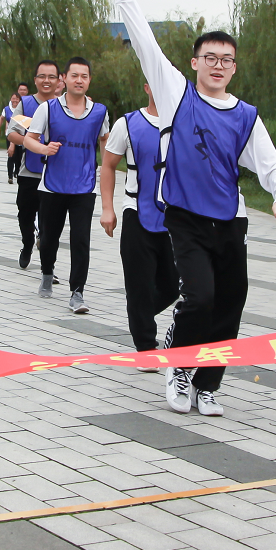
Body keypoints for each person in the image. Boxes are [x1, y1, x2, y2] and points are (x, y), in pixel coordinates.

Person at [101, 0, 276, 419]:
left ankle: (208, 385)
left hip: (230, 222)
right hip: (186, 218)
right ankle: (178, 366)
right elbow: (145, 43)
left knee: (229, 305)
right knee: (200, 297)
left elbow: (269, 162)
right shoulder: (176, 95)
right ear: (195, 63)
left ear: (234, 67)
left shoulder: (245, 115)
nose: (218, 65)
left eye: (226, 59)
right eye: (210, 57)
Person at [14, 58, 109, 312]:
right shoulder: (48, 109)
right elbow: (29, 138)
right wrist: (44, 148)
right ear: (64, 79)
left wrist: (106, 166)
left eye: (84, 76)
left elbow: (104, 140)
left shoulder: (99, 111)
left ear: (89, 80)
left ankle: (77, 292)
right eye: (74, 75)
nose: (79, 80)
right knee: (49, 237)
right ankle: (47, 272)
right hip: (52, 185)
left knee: (81, 239)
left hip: (85, 186)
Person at [100, 82, 177, 356]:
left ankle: (138, 312)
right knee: (139, 283)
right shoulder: (128, 123)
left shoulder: (185, 123)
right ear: (146, 87)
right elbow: (108, 165)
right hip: (136, 211)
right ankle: (145, 346)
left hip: (176, 217)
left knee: (172, 286)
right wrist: (107, 209)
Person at [11, 62, 62, 267]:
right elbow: (12, 133)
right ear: (35, 80)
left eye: (51, 77)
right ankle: (27, 242)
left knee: (50, 221)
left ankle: (47, 269)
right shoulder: (26, 104)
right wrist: (34, 144)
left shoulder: (64, 106)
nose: (46, 81)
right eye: (42, 76)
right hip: (30, 171)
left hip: (55, 173)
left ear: (59, 80)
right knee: (25, 214)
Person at [0, 82, 35, 182]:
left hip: (26, 134)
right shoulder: (10, 108)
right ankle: (10, 176)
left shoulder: (30, 104)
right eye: (20, 90)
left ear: (27, 91)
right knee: (12, 155)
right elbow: (8, 122)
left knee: (21, 156)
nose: (22, 91)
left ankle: (19, 173)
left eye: (24, 90)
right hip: (14, 135)